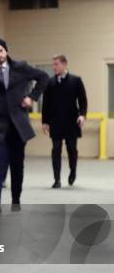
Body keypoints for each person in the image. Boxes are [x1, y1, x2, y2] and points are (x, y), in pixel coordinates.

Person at [0, 38, 48, 215]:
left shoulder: (20, 67)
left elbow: (44, 77)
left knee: (17, 166)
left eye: (0, 51)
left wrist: (32, 97)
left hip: (17, 126)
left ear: (6, 51)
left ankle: (16, 200)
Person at [41, 54, 87, 188]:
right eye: (53, 64)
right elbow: (46, 104)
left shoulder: (76, 80)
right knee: (56, 149)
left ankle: (73, 171)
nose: (54, 67)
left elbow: (83, 100)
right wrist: (45, 122)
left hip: (72, 121)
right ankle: (57, 179)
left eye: (56, 64)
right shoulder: (50, 82)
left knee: (71, 149)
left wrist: (82, 115)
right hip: (55, 122)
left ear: (64, 64)